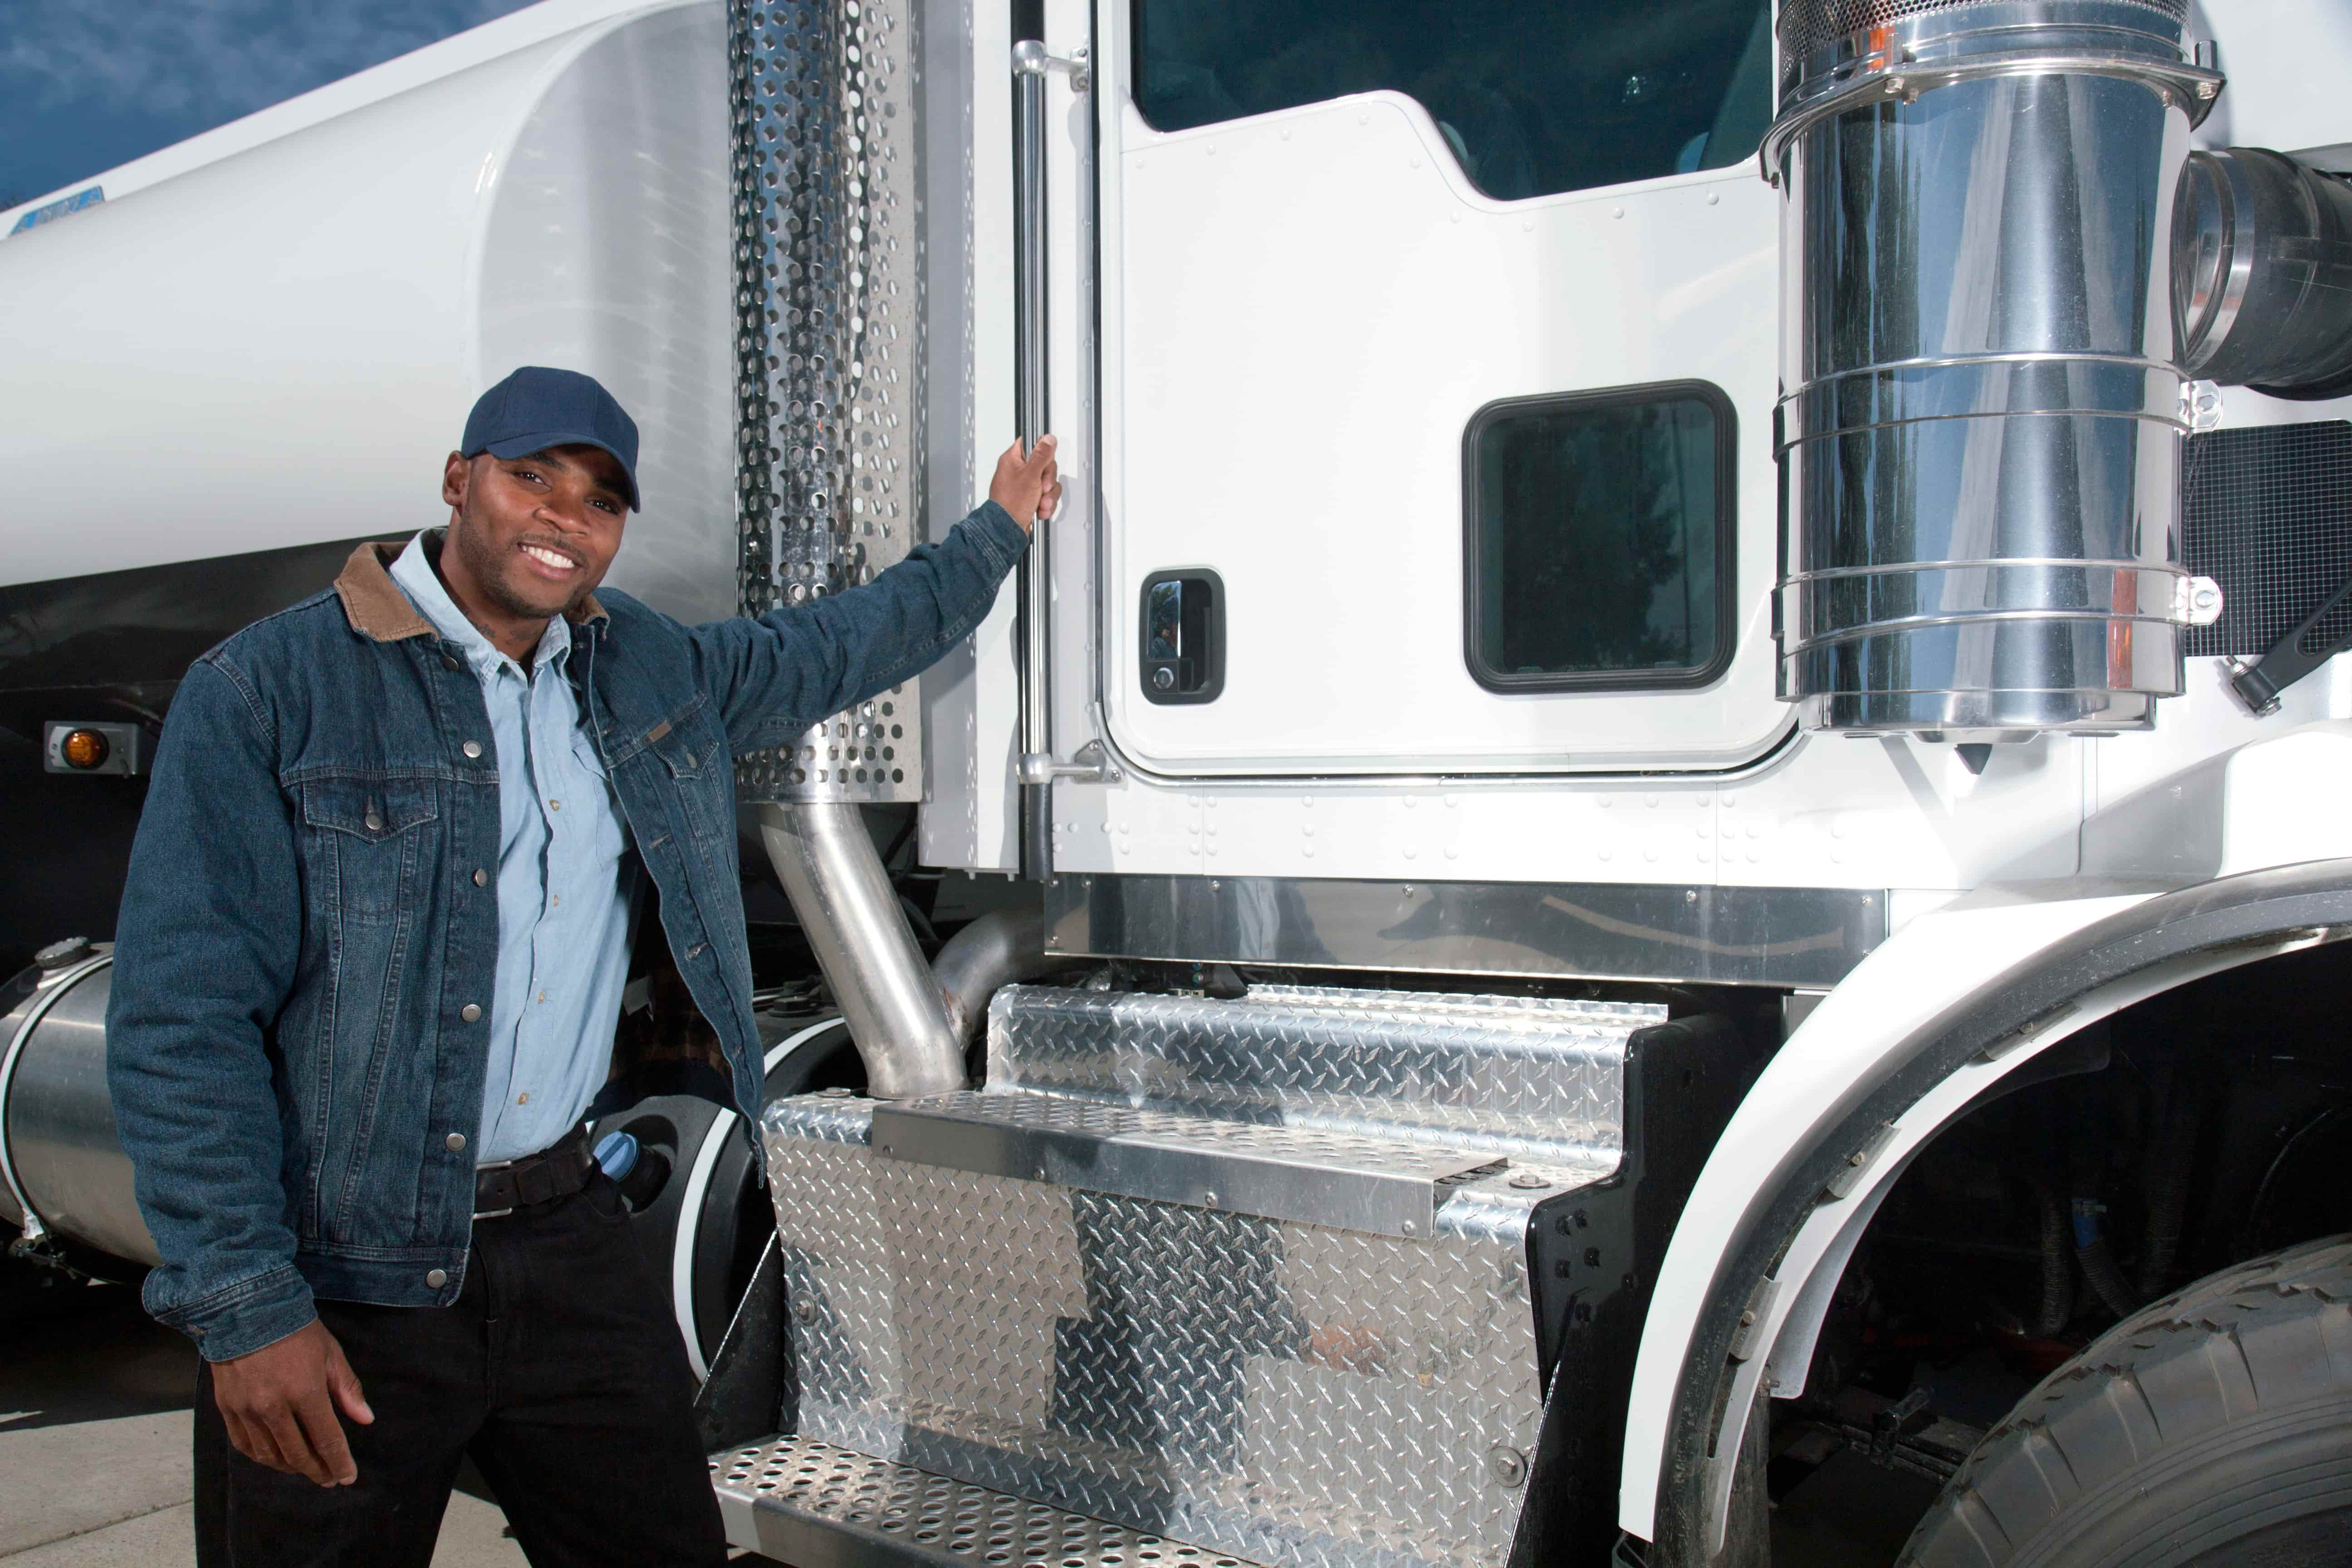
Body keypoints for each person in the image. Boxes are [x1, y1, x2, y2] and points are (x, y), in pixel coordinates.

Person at [104, 365, 1059, 1566]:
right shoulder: (271, 689)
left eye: (602, 499)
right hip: (347, 1261)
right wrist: (246, 1312)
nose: (565, 515)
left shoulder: (638, 670)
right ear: (459, 482)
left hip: (565, 1237)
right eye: (532, 475)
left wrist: (998, 531)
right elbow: (182, 1021)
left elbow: (835, 647)